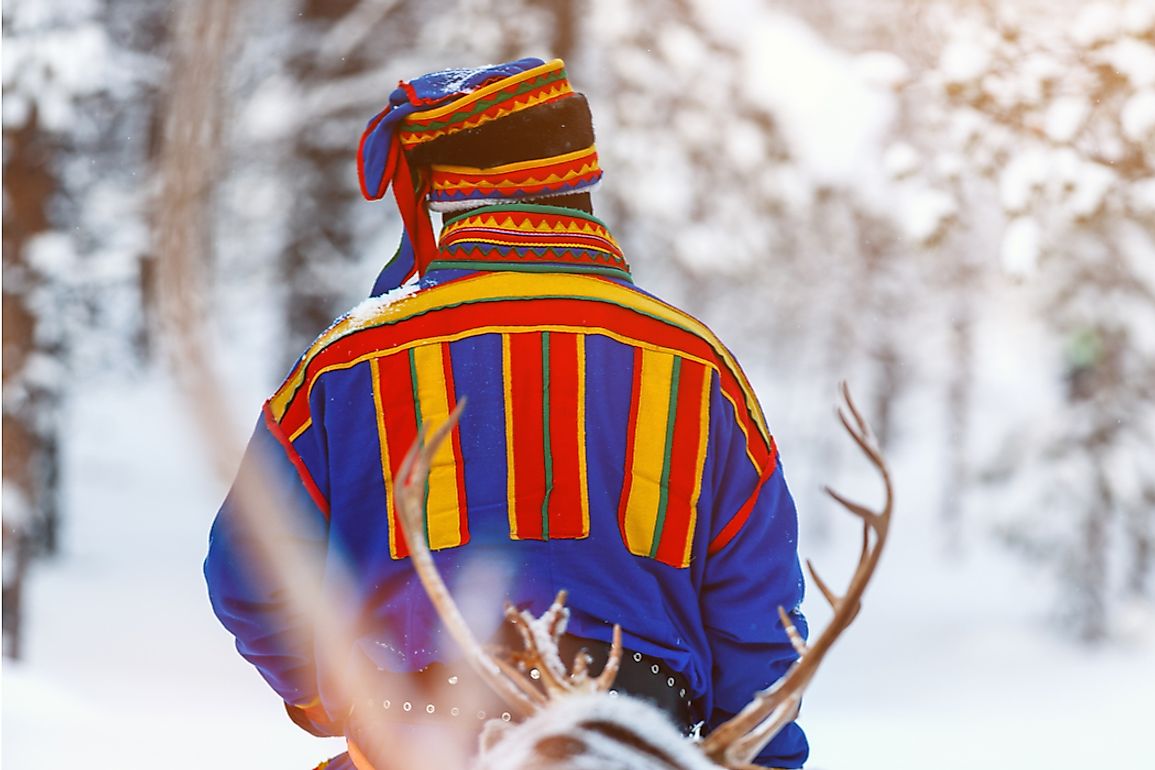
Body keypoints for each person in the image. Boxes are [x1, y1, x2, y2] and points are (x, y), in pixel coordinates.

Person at [205, 57, 809, 770]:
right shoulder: (696, 367)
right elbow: (759, 619)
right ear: (579, 186)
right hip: (636, 743)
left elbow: (249, 573)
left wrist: (329, 694)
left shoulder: (347, 362)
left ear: (445, 202)